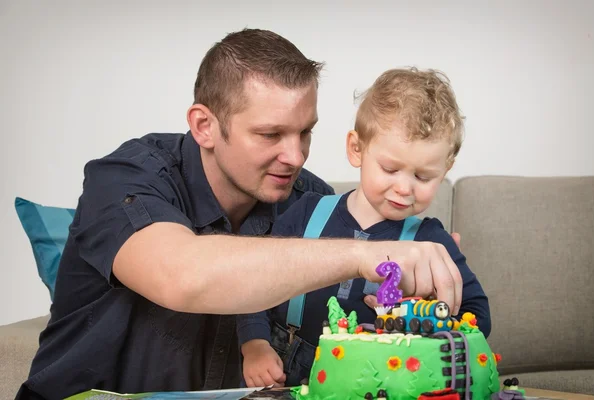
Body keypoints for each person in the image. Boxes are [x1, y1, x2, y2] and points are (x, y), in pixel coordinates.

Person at [16, 29, 465, 400]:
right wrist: (364, 254)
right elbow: (182, 276)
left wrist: (406, 301)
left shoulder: (311, 201)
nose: (295, 156)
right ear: (204, 126)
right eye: (270, 134)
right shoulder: (125, 177)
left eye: (305, 132)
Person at [237, 68, 491, 388]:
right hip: (287, 364)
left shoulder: (431, 242)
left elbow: (477, 316)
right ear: (357, 149)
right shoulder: (307, 212)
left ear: (446, 169)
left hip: (379, 378)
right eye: (390, 168)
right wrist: (254, 345)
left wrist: (421, 314)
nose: (403, 188)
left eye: (423, 177)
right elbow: (252, 282)